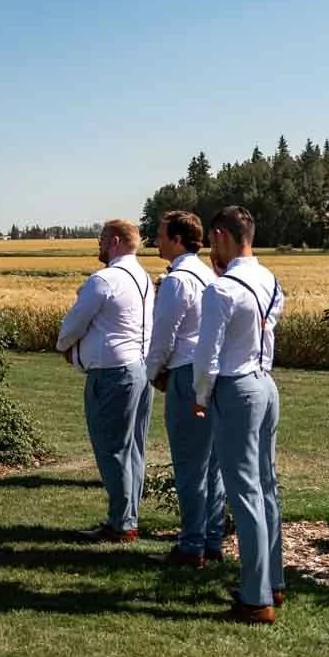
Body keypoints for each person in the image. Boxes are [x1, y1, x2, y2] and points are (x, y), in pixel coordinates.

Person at [194, 205, 286, 624]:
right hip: (266, 383)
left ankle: (255, 597)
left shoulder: (222, 289)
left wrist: (200, 396)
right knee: (266, 486)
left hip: (236, 387)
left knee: (244, 491)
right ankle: (272, 581)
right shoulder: (268, 278)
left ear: (220, 236)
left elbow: (207, 356)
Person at [56, 219, 154, 541]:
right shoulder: (143, 278)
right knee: (133, 448)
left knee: (111, 448)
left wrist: (65, 348)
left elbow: (73, 325)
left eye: (100, 239)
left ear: (113, 241)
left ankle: (121, 524)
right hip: (140, 369)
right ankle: (129, 517)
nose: (97, 246)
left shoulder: (104, 280)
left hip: (112, 374)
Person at [145, 211, 224, 567]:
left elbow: (163, 335)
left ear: (176, 239)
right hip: (212, 371)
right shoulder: (208, 275)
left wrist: (152, 371)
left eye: (161, 234)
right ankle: (211, 537)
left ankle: (191, 545)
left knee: (190, 463)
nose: (156, 240)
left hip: (185, 372)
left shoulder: (178, 281)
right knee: (212, 464)